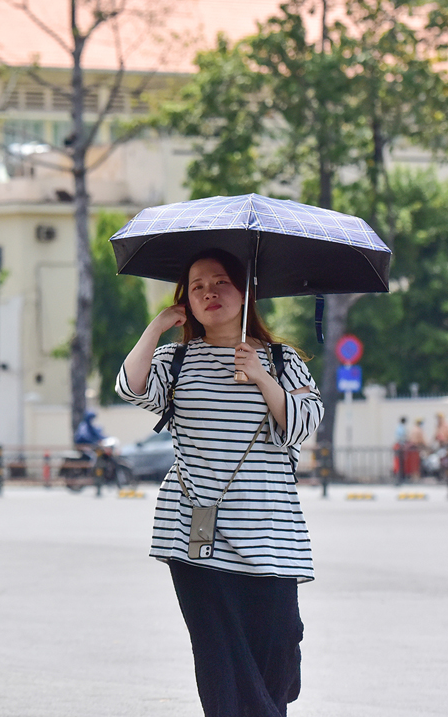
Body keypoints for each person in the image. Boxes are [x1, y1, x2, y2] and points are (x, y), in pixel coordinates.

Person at [117, 249, 324, 717]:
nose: (209, 292)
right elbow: (131, 386)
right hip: (195, 536)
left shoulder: (281, 359)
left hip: (271, 535)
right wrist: (157, 327)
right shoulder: (176, 359)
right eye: (197, 286)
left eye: (221, 282)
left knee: (278, 653)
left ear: (246, 292)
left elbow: (302, 424)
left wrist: (262, 377)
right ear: (185, 300)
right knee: (219, 661)